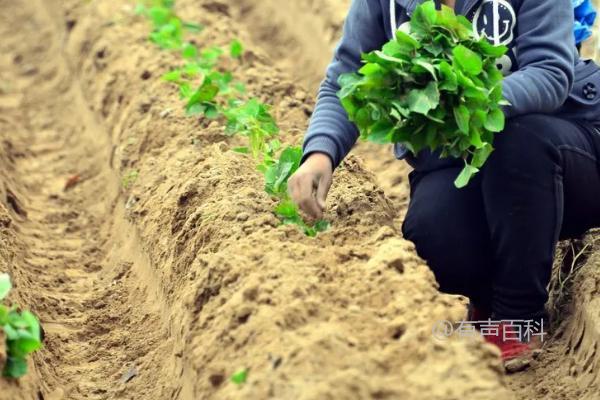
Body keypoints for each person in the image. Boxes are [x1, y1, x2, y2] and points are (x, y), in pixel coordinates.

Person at [288, 0, 600, 367]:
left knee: (518, 140)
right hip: (463, 156)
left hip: (563, 151)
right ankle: (488, 301)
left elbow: (549, 73)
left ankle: (519, 317)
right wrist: (320, 153)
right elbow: (346, 78)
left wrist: (462, 102)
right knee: (434, 235)